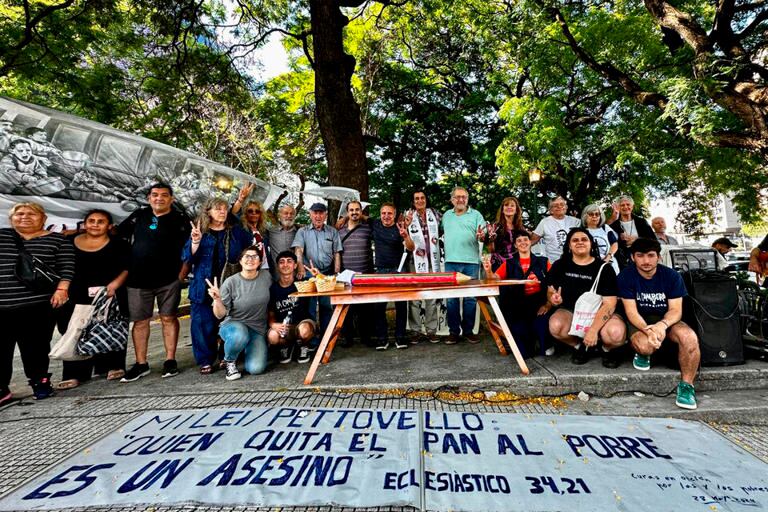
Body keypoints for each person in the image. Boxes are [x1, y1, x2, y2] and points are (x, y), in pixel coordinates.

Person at [0, 202, 75, 405]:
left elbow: (66, 267)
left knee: (35, 347)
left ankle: (39, 382)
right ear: (11, 219)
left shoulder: (57, 240)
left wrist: (62, 290)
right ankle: (1, 390)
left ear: (43, 219)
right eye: (19, 214)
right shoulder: (2, 237)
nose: (25, 217)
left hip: (37, 305)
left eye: (31, 214)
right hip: (2, 305)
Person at [117, 183, 190, 382]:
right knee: (140, 321)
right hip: (138, 278)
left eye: (164, 195)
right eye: (155, 195)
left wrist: (183, 272)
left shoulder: (180, 219)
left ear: (171, 199)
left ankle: (170, 360)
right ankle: (141, 363)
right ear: (149, 198)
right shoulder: (138, 216)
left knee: (168, 317)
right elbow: (118, 236)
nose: (159, 198)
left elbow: (190, 246)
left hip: (169, 278)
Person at [618, 237, 700, 409]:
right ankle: (645, 352)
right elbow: (631, 311)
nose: (646, 261)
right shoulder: (626, 276)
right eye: (640, 256)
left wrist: (662, 325)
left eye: (650, 255)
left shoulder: (671, 276)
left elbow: (676, 310)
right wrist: (649, 331)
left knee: (690, 337)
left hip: (666, 320)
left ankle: (687, 386)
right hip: (641, 320)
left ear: (659, 257)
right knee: (646, 346)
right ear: (633, 258)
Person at [56, 210, 130, 390]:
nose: (95, 224)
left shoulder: (119, 244)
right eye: (91, 221)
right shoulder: (68, 243)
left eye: (101, 221)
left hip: (109, 293)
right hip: (75, 294)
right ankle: (75, 374)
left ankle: (112, 366)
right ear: (84, 224)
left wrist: (114, 285)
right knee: (73, 330)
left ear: (109, 226)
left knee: (111, 326)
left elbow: (128, 267)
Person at [182, 198, 252, 374]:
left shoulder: (235, 232)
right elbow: (187, 258)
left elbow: (249, 247)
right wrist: (195, 242)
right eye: (218, 209)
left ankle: (225, 355)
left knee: (228, 321)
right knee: (202, 322)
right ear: (208, 212)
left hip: (229, 283)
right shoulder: (200, 232)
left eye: (225, 209)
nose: (222, 212)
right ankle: (205, 360)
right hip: (202, 284)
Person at [545, 228, 626, 367]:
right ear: (569, 245)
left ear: (591, 244)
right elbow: (550, 290)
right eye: (575, 240)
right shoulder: (560, 265)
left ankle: (607, 349)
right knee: (556, 326)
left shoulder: (604, 268)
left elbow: (609, 304)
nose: (580, 242)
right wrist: (553, 298)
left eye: (584, 239)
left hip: (600, 311)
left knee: (615, 333)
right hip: (571, 309)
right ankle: (580, 346)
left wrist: (593, 331)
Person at [208, 246, 272, 380]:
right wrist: (218, 300)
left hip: (257, 329)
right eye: (247, 256)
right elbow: (220, 315)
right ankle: (229, 361)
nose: (251, 259)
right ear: (240, 261)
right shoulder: (231, 282)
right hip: (234, 326)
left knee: (256, 369)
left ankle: (244, 349)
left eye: (255, 256)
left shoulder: (266, 277)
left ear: (260, 262)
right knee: (240, 335)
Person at [483, 230, 551, 357]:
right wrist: (488, 271)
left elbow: (553, 285)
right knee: (524, 353)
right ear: (515, 245)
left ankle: (545, 343)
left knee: (543, 345)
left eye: (525, 240)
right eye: (519, 241)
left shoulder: (543, 262)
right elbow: (494, 279)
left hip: (538, 306)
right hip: (517, 308)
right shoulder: (508, 263)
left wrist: (547, 305)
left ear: (530, 242)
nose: (523, 243)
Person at [292, 203, 342, 346]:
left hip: (326, 276)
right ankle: (311, 341)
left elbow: (337, 253)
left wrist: (337, 273)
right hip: (309, 276)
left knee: (327, 308)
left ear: (326, 215)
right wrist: (300, 268)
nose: (318, 216)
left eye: (321, 213)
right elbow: (298, 250)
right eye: (315, 213)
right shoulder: (303, 231)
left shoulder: (332, 232)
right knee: (310, 309)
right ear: (310, 214)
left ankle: (326, 340)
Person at [442, 186, 486, 344]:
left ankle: (468, 331)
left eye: (464, 197)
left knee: (470, 299)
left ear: (467, 199)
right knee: (452, 299)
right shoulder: (446, 215)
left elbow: (483, 236)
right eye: (457, 197)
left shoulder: (476, 215)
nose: (461, 200)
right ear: (452, 199)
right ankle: (453, 331)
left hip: (471, 262)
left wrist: (481, 236)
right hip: (451, 262)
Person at [372, 202, 415, 350]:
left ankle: (400, 337)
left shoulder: (400, 228)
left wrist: (406, 235)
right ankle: (382, 338)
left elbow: (411, 247)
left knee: (401, 305)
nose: (386, 216)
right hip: (381, 270)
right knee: (379, 306)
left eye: (389, 213)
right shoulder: (375, 224)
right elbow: (360, 217)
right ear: (380, 214)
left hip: (399, 270)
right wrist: (343, 219)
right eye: (383, 213)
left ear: (394, 214)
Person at [267, 251, 316, 364]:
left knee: (304, 331)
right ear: (278, 266)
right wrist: (273, 324)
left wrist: (317, 276)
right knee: (272, 336)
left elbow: (321, 288)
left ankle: (304, 346)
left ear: (295, 266)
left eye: (289, 261)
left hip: (303, 325)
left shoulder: (303, 283)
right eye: (281, 262)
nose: (285, 265)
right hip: (285, 327)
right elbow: (271, 313)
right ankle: (286, 347)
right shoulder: (273, 289)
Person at [406, 190, 442, 343]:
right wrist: (406, 225)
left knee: (431, 297)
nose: (420, 201)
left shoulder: (435, 214)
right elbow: (401, 233)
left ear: (426, 200)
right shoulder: (408, 215)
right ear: (413, 201)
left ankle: (431, 330)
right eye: (416, 199)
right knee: (415, 297)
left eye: (422, 198)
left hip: (432, 261)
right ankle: (415, 330)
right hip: (415, 261)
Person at [338, 200, 375, 347]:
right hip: (346, 275)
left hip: (364, 274)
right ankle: (348, 338)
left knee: (365, 309)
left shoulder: (367, 229)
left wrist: (366, 218)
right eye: (351, 210)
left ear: (361, 212)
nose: (354, 212)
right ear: (347, 213)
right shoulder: (339, 232)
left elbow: (378, 224)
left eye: (357, 210)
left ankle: (366, 337)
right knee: (348, 309)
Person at [608, 195, 655, 269]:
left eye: (628, 204)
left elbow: (653, 240)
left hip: (643, 258)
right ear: (618, 208)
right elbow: (610, 242)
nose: (625, 207)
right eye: (622, 205)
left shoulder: (641, 222)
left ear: (632, 207)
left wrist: (637, 239)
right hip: (623, 261)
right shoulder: (614, 225)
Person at [531, 196, 580, 263]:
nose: (559, 207)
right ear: (550, 210)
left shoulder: (576, 222)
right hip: (553, 264)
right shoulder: (545, 222)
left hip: (575, 262)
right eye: (556, 205)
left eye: (562, 204)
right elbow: (532, 240)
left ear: (566, 207)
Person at [581, 203, 619, 273]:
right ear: (585, 216)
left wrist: (608, 257)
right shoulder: (581, 232)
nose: (594, 216)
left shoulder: (605, 228)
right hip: (591, 268)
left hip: (610, 264)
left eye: (597, 214)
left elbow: (614, 244)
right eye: (591, 214)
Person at [487, 196, 524, 261]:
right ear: (502, 210)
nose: (509, 207)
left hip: (516, 264)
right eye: (506, 205)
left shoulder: (520, 228)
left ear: (516, 210)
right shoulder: (495, 227)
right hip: (499, 263)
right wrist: (491, 240)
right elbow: (491, 250)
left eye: (512, 205)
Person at [268, 204, 299, 275]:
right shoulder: (271, 231)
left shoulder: (300, 232)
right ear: (279, 215)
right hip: (276, 274)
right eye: (286, 213)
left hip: (295, 275)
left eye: (292, 214)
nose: (289, 216)